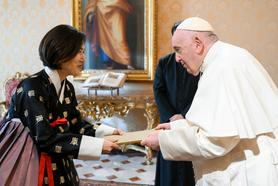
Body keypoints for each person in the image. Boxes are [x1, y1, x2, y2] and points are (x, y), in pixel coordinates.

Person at [142, 17, 278, 185]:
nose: (176, 58)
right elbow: (222, 122)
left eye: (178, 50)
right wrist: (176, 126)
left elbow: (215, 141)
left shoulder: (220, 68)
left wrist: (163, 141)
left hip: (249, 171)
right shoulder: (230, 56)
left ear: (198, 44)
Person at [3, 24, 122, 186]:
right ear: (61, 52)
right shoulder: (31, 87)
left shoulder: (67, 87)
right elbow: (45, 139)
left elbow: (76, 125)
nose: (83, 58)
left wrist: (108, 132)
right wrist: (97, 146)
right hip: (31, 163)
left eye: (83, 52)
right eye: (78, 52)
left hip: (59, 160)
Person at [153, 21, 199, 186]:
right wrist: (172, 116)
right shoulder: (164, 62)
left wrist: (184, 116)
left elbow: (202, 94)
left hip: (192, 122)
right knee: (169, 169)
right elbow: (159, 91)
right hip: (169, 122)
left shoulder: (198, 63)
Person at [83, 0, 133, 69]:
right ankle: (109, 63)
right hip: (102, 13)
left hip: (116, 10)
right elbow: (92, 3)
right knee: (105, 40)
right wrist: (90, 13)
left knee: (120, 38)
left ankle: (125, 61)